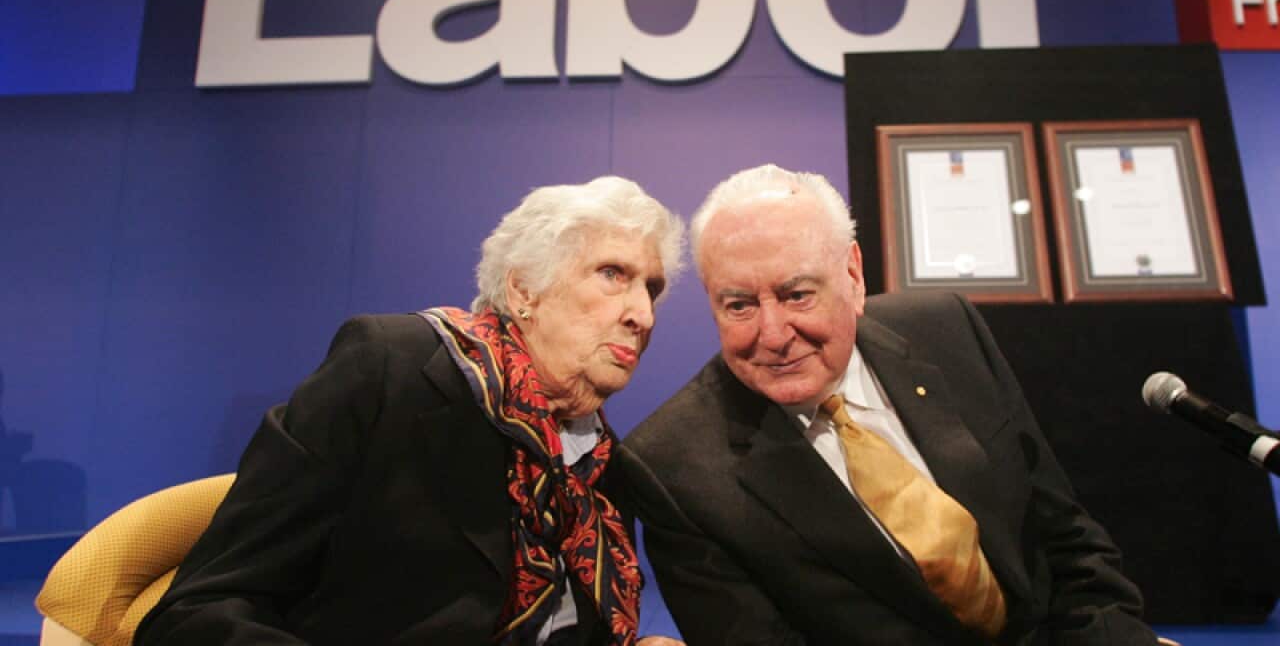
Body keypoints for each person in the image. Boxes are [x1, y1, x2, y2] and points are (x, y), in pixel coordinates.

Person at [136, 176, 686, 646]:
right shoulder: (389, 372)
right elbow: (200, 612)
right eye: (613, 274)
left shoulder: (602, 467)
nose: (643, 314)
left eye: (652, 288)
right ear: (523, 290)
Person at [619, 164, 1157, 645]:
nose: (773, 333)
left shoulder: (947, 329)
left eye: (796, 294)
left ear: (852, 275)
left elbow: (1067, 539)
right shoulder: (675, 466)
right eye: (738, 305)